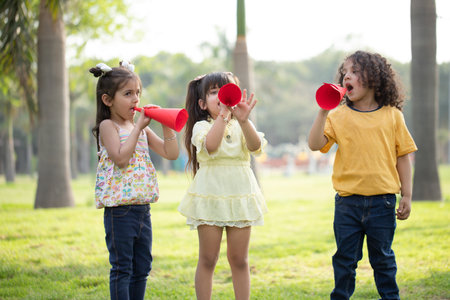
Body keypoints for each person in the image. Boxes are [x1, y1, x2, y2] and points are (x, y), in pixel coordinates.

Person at [308, 50, 418, 300]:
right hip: (347, 204)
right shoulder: (337, 116)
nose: (347, 76)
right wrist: (323, 111)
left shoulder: (392, 116)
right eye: (345, 72)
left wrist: (407, 195)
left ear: (375, 78)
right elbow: (315, 145)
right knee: (345, 261)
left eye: (355, 71)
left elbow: (403, 157)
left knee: (383, 260)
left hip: (383, 202)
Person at [90, 61, 179, 300]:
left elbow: (171, 154)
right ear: (108, 100)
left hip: (142, 209)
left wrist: (167, 127)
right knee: (122, 269)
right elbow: (120, 158)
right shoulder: (108, 126)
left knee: (142, 268)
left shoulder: (138, 127)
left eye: (138, 93)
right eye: (128, 94)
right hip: (119, 211)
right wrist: (138, 128)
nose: (135, 99)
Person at [178, 72, 268, 300]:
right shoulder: (201, 126)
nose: (221, 96)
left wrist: (245, 120)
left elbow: (256, 147)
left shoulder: (243, 124)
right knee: (208, 258)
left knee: (239, 259)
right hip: (210, 195)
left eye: (227, 91)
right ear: (202, 103)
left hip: (240, 194)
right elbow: (211, 145)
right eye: (214, 92)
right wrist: (224, 116)